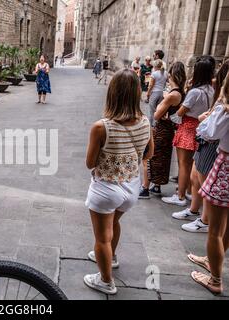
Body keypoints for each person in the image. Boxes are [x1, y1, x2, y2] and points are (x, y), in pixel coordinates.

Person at [84, 69, 153, 295]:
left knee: (101, 238)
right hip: (131, 187)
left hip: (106, 188)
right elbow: (148, 154)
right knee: (114, 223)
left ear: (112, 93)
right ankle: (111, 258)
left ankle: (105, 281)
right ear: (136, 93)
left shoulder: (101, 127)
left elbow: (90, 162)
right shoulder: (145, 122)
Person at [176, 59, 228, 233]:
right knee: (195, 176)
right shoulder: (213, 91)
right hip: (206, 139)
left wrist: (204, 119)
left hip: (209, 142)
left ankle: (204, 220)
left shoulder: (220, 100)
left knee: (203, 180)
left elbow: (210, 130)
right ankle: (194, 210)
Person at [189, 77, 229, 295]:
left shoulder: (225, 112)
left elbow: (207, 133)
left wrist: (207, 116)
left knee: (214, 230)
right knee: (227, 225)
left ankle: (215, 279)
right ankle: (212, 261)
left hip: (226, 167)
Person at [162, 58, 215, 207]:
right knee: (192, 164)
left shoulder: (195, 92)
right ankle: (189, 193)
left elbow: (180, 111)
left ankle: (179, 196)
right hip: (200, 126)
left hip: (187, 126)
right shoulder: (211, 90)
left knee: (183, 164)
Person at [140, 62, 187, 199]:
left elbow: (156, 114)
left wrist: (164, 99)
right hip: (169, 129)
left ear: (171, 76)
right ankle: (157, 186)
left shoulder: (172, 94)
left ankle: (145, 188)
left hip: (161, 129)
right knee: (163, 159)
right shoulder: (182, 93)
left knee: (149, 157)